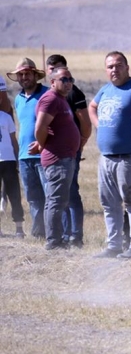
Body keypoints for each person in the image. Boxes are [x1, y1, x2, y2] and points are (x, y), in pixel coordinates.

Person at [89, 51, 131, 259]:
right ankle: (114, 245)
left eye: (118, 65)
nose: (114, 69)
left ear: (127, 67)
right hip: (107, 156)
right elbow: (92, 106)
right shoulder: (105, 90)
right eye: (110, 66)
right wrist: (99, 126)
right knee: (109, 203)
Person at [32, 67, 80, 250]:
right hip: (57, 159)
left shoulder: (61, 100)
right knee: (55, 200)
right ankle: (54, 241)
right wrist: (42, 144)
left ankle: (57, 239)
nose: (68, 83)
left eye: (70, 78)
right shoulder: (50, 99)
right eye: (63, 79)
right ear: (52, 82)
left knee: (59, 200)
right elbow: (40, 127)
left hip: (65, 157)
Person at [45, 54, 91, 248]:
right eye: (51, 69)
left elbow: (85, 123)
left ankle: (75, 236)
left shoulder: (73, 93)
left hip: (69, 153)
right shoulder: (53, 96)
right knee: (59, 195)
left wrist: (80, 144)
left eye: (66, 76)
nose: (66, 81)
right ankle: (62, 235)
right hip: (56, 152)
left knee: (71, 193)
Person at [7, 58, 48, 239]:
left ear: (35, 75)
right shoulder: (18, 100)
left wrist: (43, 144)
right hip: (24, 156)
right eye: (21, 74)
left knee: (51, 197)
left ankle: (56, 234)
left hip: (45, 154)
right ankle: (39, 234)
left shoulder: (47, 95)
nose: (24, 77)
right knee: (33, 198)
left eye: (27, 73)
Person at [0, 78, 24, 238]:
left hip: (8, 160)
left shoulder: (6, 117)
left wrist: (17, 159)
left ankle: (19, 228)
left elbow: (14, 140)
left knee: (14, 194)